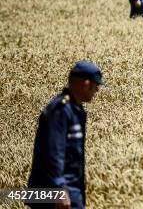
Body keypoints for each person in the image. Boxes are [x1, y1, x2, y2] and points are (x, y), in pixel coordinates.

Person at [28, 61, 104, 209]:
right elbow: (53, 152)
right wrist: (59, 189)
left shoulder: (74, 109)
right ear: (86, 84)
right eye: (96, 86)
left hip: (70, 190)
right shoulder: (60, 110)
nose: (97, 90)